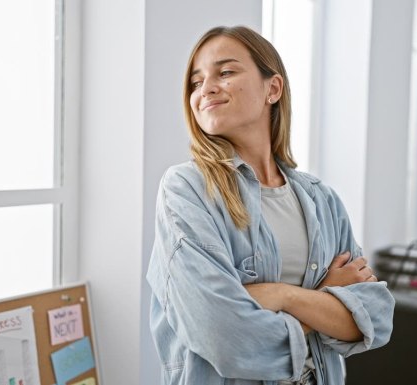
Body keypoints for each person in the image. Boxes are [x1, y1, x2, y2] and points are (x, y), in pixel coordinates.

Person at [146, 25, 395, 385]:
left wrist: (280, 295)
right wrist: (323, 299)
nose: (207, 89)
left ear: (272, 88)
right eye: (196, 82)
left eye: (226, 72)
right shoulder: (187, 189)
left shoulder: (322, 199)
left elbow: (373, 318)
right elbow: (226, 337)